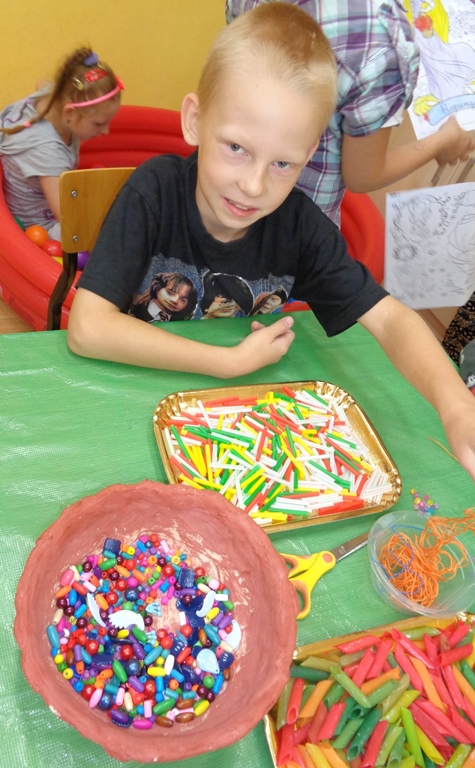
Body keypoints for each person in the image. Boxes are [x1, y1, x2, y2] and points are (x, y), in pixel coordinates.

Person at [68, 3, 475, 482]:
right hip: (130, 398)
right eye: (236, 148)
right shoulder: (152, 192)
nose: (254, 186)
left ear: (309, 154)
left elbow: (391, 319)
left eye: (283, 164)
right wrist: (225, 362)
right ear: (195, 120)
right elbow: (87, 328)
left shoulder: (299, 226)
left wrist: (454, 404)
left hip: (231, 430)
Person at [226, 0, 475, 225]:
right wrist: (441, 142)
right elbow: (363, 176)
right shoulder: (378, 35)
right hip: (294, 222)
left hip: (223, 180)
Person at [0, 47, 123, 240]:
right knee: (101, 236)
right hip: (38, 228)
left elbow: (42, 83)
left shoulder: (53, 98)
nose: (106, 131)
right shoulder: (48, 152)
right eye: (99, 124)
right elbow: (67, 218)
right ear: (69, 113)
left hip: (50, 197)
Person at [132, 272, 198, 322]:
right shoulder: (136, 308)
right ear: (158, 288)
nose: (175, 300)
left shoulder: (180, 322)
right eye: (170, 293)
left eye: (182, 300)